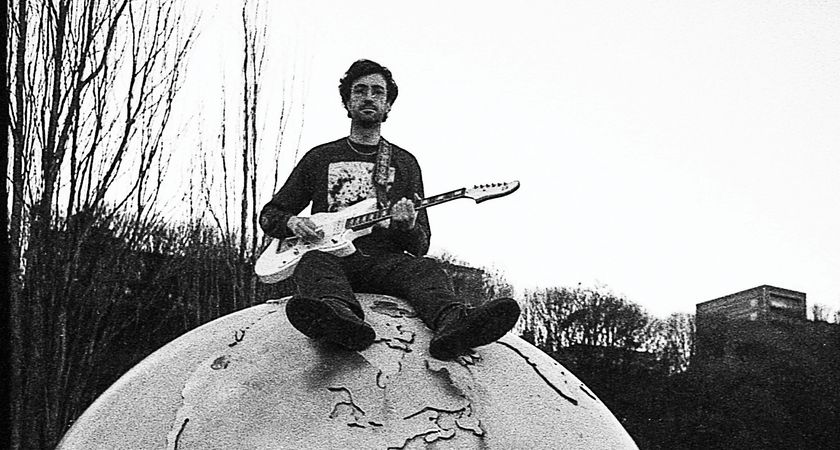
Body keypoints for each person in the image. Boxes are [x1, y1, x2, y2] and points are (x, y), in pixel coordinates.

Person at [259, 59, 520, 360]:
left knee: (427, 268)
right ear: (347, 102)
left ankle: (454, 324)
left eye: (378, 92)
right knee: (312, 264)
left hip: (385, 264)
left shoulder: (404, 163)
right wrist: (292, 223)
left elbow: (421, 245)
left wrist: (406, 226)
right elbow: (270, 214)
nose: (369, 97)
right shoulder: (320, 158)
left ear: (388, 106)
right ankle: (339, 320)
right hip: (332, 262)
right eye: (360, 90)